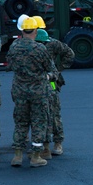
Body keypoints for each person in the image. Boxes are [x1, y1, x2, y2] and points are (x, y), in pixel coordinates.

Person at [7, 16, 54, 167]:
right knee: (38, 123)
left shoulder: (14, 47)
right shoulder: (40, 48)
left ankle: (17, 155)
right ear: (35, 31)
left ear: (22, 30)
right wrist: (49, 76)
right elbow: (50, 68)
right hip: (38, 92)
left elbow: (10, 65)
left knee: (20, 122)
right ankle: (35, 156)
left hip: (19, 90)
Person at [36, 27, 75, 156]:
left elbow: (70, 53)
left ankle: (58, 142)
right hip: (36, 82)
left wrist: (58, 69)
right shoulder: (30, 45)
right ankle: (42, 144)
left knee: (54, 111)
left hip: (50, 81)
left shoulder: (53, 43)